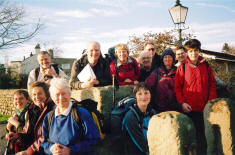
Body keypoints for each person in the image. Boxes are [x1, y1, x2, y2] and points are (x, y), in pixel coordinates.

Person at [174, 39, 217, 154]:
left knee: (204, 139)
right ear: (187, 53)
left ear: (199, 51)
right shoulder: (182, 67)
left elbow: (212, 84)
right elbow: (177, 88)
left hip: (205, 109)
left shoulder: (206, 66)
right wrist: (182, 103)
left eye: (196, 50)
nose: (194, 54)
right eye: (191, 51)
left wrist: (211, 102)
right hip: (189, 109)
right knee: (189, 141)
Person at [41, 77, 100, 155]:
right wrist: (51, 149)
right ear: (52, 97)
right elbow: (43, 142)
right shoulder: (49, 117)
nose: (61, 98)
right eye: (57, 94)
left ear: (69, 94)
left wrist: (70, 150)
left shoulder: (81, 114)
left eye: (63, 93)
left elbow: (94, 140)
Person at [16, 82, 55, 155]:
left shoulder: (52, 110)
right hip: (31, 148)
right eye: (34, 94)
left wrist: (28, 152)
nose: (37, 97)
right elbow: (27, 131)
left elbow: (47, 137)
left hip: (45, 150)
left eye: (40, 93)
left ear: (46, 94)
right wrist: (18, 135)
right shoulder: (32, 109)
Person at [122, 82, 156, 155]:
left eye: (146, 93)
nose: (144, 97)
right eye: (140, 94)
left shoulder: (153, 112)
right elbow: (138, 142)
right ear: (135, 97)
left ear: (150, 95)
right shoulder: (130, 117)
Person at [5, 90, 41, 154]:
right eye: (15, 99)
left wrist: (16, 123)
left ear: (27, 100)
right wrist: (8, 127)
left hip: (25, 148)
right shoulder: (17, 112)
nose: (18, 101)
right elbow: (11, 129)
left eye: (21, 98)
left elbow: (29, 134)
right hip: (15, 146)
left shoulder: (31, 113)